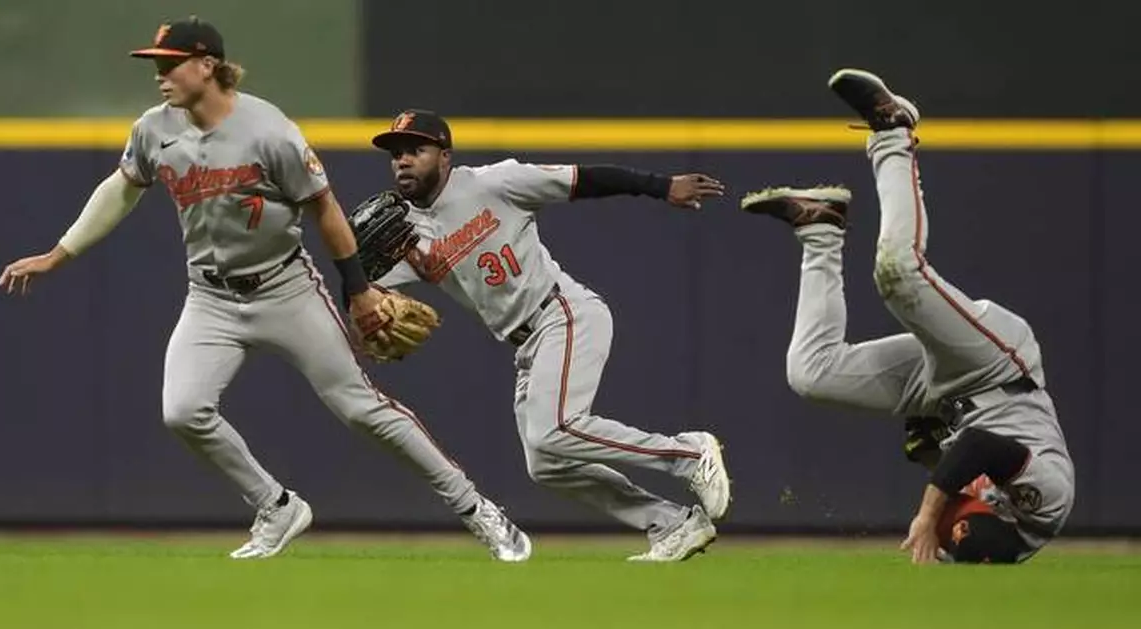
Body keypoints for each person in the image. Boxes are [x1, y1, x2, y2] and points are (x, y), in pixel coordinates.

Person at [0, 17, 530, 562]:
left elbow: (324, 207)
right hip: (209, 298)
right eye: (156, 64)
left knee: (362, 408)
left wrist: (359, 290)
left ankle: (478, 509)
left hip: (286, 288)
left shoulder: (269, 131)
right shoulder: (155, 130)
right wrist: (57, 253)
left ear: (208, 66)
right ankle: (276, 506)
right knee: (183, 411)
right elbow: (121, 189)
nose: (160, 75)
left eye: (170, 63)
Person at [364, 109, 732, 561]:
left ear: (444, 155)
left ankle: (688, 455)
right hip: (526, 345)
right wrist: (363, 300)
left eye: (415, 150)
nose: (402, 161)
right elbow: (368, 293)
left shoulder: (493, 182)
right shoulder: (404, 233)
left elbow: (584, 179)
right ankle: (671, 522)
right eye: (396, 154)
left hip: (562, 312)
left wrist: (660, 186)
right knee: (546, 464)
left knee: (556, 429)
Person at [741, 69, 1075, 564]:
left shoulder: (978, 546)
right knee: (898, 273)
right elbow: (984, 446)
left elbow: (951, 459)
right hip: (997, 368)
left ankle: (820, 229)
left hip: (946, 396)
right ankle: (893, 132)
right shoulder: (1045, 503)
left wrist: (929, 454)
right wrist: (926, 513)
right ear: (995, 521)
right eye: (959, 520)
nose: (949, 520)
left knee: (811, 372)